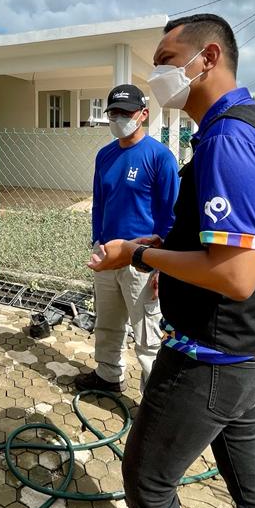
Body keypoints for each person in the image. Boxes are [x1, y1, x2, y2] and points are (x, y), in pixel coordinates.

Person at [90, 14, 255, 508]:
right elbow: (213, 246)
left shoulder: (229, 140)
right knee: (252, 487)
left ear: (206, 58)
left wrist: (140, 253)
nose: (157, 75)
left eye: (164, 61)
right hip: (251, 347)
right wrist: (165, 259)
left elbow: (233, 274)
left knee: (149, 482)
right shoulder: (237, 128)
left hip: (215, 356)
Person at [75, 83, 178, 394]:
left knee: (147, 334)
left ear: (143, 115)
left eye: (125, 112)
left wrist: (163, 265)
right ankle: (108, 376)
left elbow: (172, 215)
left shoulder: (160, 157)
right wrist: (97, 241)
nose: (118, 118)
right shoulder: (105, 156)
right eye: (113, 112)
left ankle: (153, 398)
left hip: (143, 261)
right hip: (107, 254)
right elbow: (99, 203)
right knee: (107, 324)